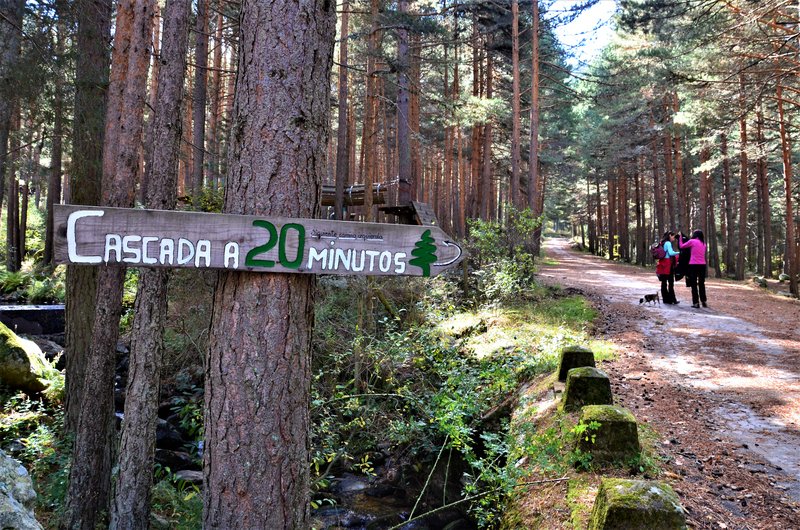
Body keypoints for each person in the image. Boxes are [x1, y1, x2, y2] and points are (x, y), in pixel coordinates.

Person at [678, 229, 707, 308]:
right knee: (701, 283)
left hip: (693, 265)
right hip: (703, 265)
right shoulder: (704, 244)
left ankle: (696, 303)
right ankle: (704, 301)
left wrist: (680, 238)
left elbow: (681, 246)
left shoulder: (692, 241)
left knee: (693, 283)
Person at [656, 231, 680, 305]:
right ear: (670, 235)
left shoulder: (661, 243)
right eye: (673, 236)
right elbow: (671, 253)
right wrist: (679, 253)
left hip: (662, 263)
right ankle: (672, 299)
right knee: (670, 282)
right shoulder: (668, 243)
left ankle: (665, 299)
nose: (674, 238)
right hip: (668, 264)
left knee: (663, 283)